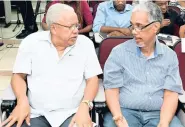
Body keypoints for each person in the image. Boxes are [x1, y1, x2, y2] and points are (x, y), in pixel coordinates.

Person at [1, 3, 102, 127]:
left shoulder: (85, 44)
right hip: (35, 113)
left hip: (73, 113)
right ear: (54, 28)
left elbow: (93, 80)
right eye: (70, 27)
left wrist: (85, 105)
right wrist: (22, 100)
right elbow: (18, 76)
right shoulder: (31, 43)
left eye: (77, 25)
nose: (76, 31)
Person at [103, 2, 184, 127]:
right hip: (125, 111)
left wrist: (164, 122)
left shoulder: (169, 56)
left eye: (139, 26)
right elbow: (111, 89)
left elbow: (171, 92)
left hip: (159, 113)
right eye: (132, 26)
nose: (134, 32)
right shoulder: (118, 52)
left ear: (155, 27)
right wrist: (118, 117)